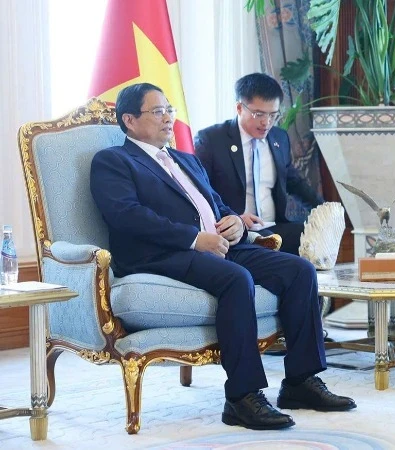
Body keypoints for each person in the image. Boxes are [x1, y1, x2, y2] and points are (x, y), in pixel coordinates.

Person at [90, 83, 355, 431]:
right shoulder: (113, 161)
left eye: (169, 110)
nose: (169, 118)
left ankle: (300, 382)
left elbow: (216, 204)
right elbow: (126, 215)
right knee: (235, 279)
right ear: (129, 119)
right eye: (158, 111)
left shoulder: (184, 159)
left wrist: (235, 223)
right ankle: (242, 397)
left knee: (299, 270)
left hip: (219, 245)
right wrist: (193, 239)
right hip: (160, 255)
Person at [194, 73, 324, 255]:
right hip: (236, 232)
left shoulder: (279, 138)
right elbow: (201, 190)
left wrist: (324, 210)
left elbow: (294, 182)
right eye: (259, 114)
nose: (266, 122)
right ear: (239, 108)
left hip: (273, 226)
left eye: (273, 115)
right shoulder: (211, 140)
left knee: (310, 236)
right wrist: (234, 218)